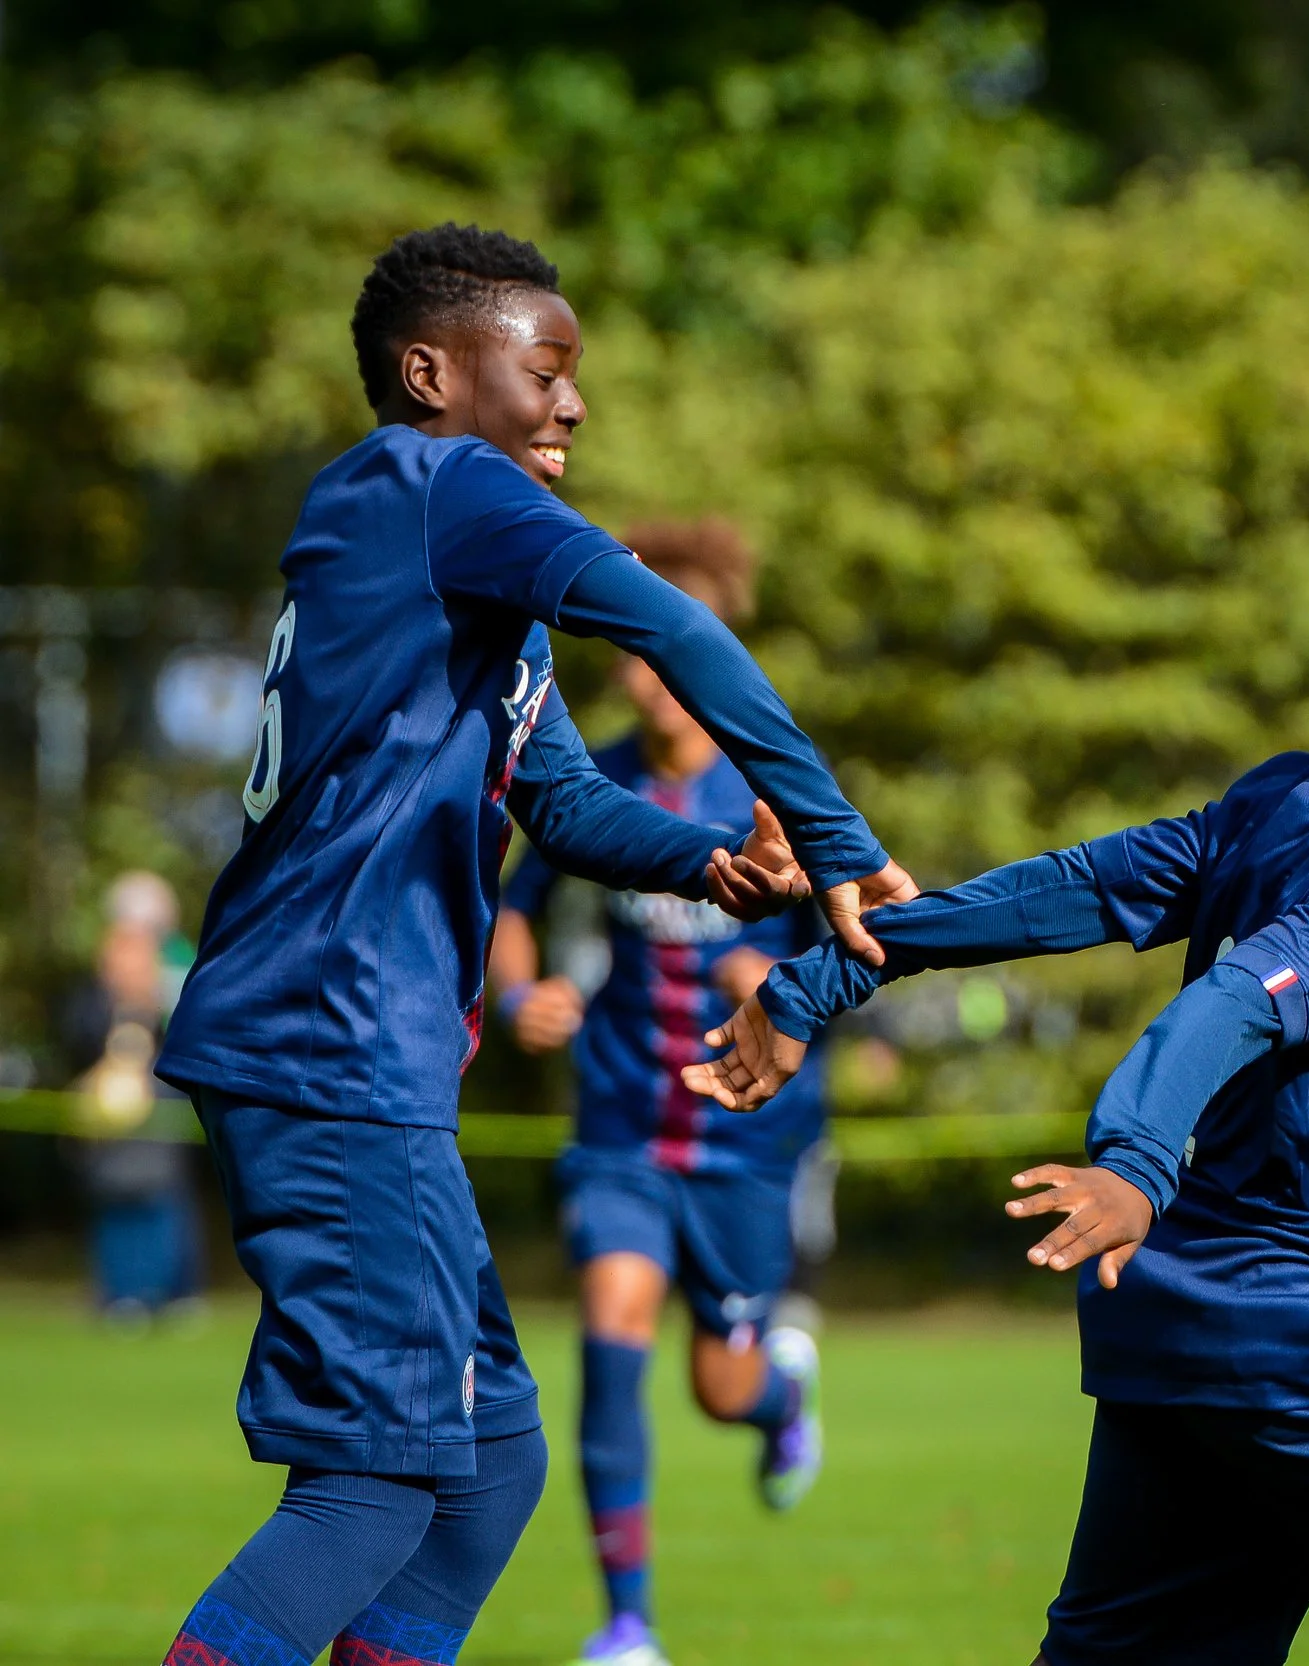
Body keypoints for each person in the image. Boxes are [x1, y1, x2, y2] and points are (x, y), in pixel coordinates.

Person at [687, 559, 1309, 1666]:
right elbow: (1233, 1003)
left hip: (1178, 1322)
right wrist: (1135, 1161)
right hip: (1299, 1334)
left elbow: (1072, 890)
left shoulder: (1285, 797)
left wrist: (822, 979)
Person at [152, 223, 912, 1666]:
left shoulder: (466, 563)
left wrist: (713, 860)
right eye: (544, 369)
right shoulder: (430, 486)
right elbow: (678, 629)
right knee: (376, 1480)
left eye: (577, 377)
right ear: (430, 373)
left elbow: (558, 796)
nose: (572, 402)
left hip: (367, 1051)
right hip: (325, 1035)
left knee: (491, 1466)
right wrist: (836, 841)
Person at [489, 519, 835, 1666]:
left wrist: (775, 986)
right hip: (624, 1124)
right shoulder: (595, 786)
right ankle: (627, 1622)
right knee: (609, 1328)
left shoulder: (775, 789)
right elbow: (519, 901)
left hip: (745, 1140)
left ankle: (777, 1399)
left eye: (659, 651)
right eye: (624, 654)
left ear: (706, 650)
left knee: (718, 1389)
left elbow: (860, 949)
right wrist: (525, 988)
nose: (639, 675)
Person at [62, 870, 205, 1323]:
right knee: (115, 1198)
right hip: (109, 1124)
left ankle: (173, 1292)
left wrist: (151, 1005)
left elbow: (193, 1029)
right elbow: (78, 1032)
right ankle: (121, 1293)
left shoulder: (176, 975)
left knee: (163, 1197)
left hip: (159, 1114)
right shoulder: (94, 993)